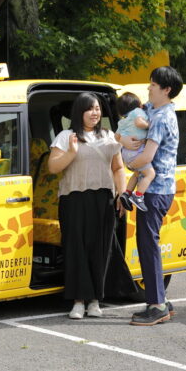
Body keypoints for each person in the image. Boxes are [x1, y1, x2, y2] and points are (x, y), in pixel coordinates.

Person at [48, 92, 127, 319]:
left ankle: (95, 300)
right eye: (90, 109)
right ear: (79, 112)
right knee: (76, 249)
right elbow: (53, 167)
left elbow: (118, 168)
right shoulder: (66, 136)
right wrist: (72, 152)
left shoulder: (109, 136)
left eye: (98, 109)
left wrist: (122, 195)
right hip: (73, 200)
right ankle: (78, 301)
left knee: (100, 249)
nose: (95, 113)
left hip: (103, 199)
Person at [119, 67, 183, 326]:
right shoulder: (152, 110)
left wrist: (126, 159)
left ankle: (157, 305)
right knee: (147, 243)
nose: (149, 88)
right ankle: (160, 301)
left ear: (166, 90)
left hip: (155, 190)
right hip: (155, 188)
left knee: (148, 245)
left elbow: (147, 156)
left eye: (153, 85)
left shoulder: (162, 118)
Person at [115, 92, 156, 213]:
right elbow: (139, 123)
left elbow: (116, 136)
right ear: (138, 105)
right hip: (136, 151)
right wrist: (150, 125)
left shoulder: (122, 121)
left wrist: (123, 140)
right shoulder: (137, 112)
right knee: (150, 174)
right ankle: (138, 196)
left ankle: (126, 194)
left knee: (137, 174)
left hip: (126, 153)